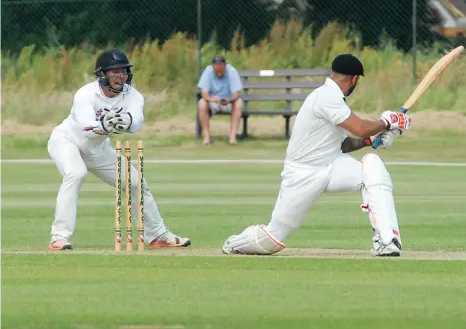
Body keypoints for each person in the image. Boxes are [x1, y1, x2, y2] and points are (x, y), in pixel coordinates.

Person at [222, 54, 410, 257]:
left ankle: (386, 241)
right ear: (354, 79)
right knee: (272, 238)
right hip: (302, 173)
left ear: (332, 72)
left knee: (373, 167)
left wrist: (369, 141)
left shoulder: (335, 98)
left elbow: (342, 145)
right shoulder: (326, 97)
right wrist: (387, 122)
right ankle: (235, 243)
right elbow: (361, 127)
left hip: (332, 165)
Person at [47, 49, 191, 250]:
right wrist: (105, 125)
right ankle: (59, 237)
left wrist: (128, 121)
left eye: (123, 72)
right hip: (66, 141)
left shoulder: (133, 95)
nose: (120, 77)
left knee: (135, 182)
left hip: (98, 149)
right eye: (114, 72)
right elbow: (85, 127)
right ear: (102, 74)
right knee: (76, 173)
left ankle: (157, 234)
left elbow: (137, 122)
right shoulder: (86, 93)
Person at [197, 56, 243, 145]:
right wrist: (211, 99)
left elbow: (236, 94)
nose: (219, 73)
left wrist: (229, 100)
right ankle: (206, 137)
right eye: (216, 70)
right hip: (213, 102)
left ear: (225, 66)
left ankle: (232, 137)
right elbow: (204, 93)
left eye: (221, 70)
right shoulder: (208, 71)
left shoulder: (231, 71)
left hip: (229, 102)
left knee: (238, 103)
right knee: (201, 103)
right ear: (212, 67)